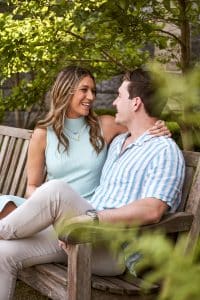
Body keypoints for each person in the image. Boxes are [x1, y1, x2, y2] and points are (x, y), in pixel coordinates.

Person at [0, 67, 180, 300]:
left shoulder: (160, 148)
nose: (109, 101)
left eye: (118, 96)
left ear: (135, 103)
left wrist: (165, 125)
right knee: (3, 253)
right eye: (85, 90)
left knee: (55, 189)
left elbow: (153, 209)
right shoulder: (119, 144)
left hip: (109, 243)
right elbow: (140, 127)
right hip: (76, 230)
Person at [0, 66, 168, 219]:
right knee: (5, 205)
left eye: (93, 91)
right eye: (84, 90)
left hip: (86, 213)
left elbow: (141, 124)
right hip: (50, 208)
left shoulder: (106, 125)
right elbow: (32, 186)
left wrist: (161, 125)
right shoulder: (43, 133)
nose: (91, 97)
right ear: (66, 91)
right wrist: (46, 206)